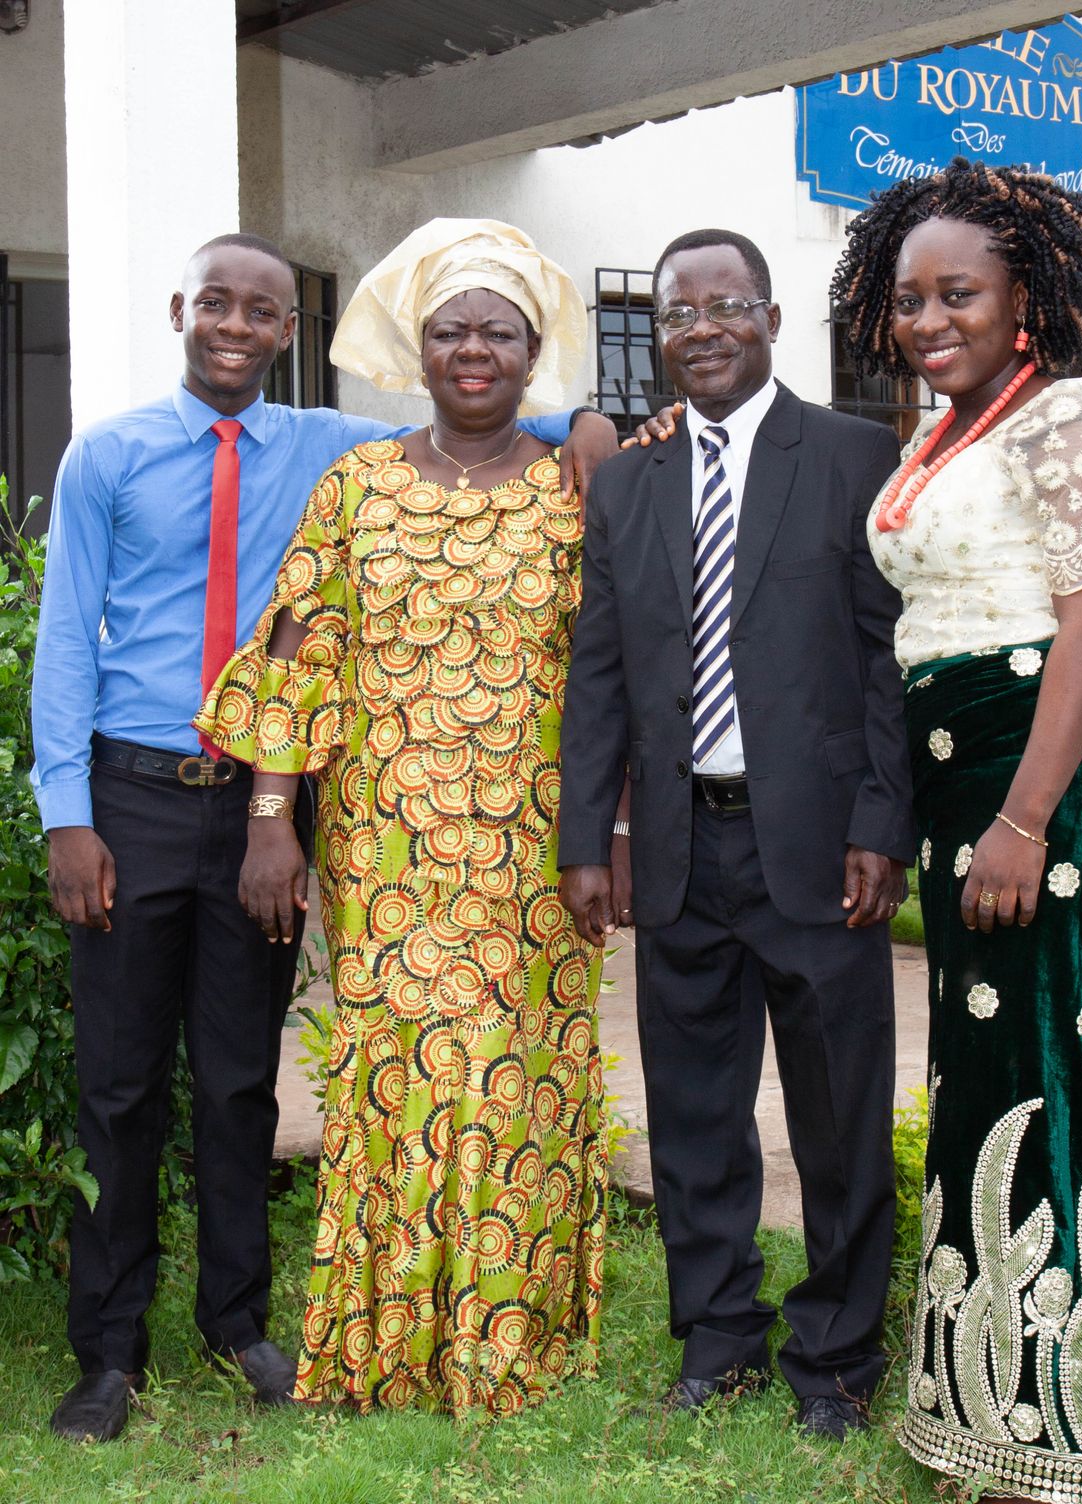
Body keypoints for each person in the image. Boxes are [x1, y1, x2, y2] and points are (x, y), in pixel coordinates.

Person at [31, 229, 617, 1443]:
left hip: (266, 797)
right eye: (217, 306)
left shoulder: (325, 445)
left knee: (244, 1079)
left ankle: (237, 1323)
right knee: (122, 1083)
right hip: (134, 793)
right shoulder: (111, 454)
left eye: (263, 311)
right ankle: (109, 1348)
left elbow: (496, 425)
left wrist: (602, 426)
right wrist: (67, 815)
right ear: (179, 309)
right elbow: (60, 645)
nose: (238, 327)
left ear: (291, 333)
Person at [195, 219, 615, 1418]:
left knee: (513, 1074)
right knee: (394, 1074)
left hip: (534, 842)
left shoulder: (572, 486)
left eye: (498, 331)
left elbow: (614, 670)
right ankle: (383, 1344)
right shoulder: (358, 483)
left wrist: (613, 832)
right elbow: (299, 646)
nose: (472, 350)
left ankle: (505, 1342)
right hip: (382, 844)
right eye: (450, 331)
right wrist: (273, 811)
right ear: (415, 349)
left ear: (533, 354)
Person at [828, 158, 1082, 1504]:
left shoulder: (1064, 416)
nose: (926, 320)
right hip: (967, 781)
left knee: (1055, 1075)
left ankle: (1057, 1442)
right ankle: (972, 1411)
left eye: (956, 293)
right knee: (983, 1077)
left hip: (1049, 780)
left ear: (1026, 293)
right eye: (908, 300)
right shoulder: (939, 434)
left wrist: (1025, 816)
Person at [557, 227, 915, 1438]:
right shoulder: (629, 480)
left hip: (819, 844)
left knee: (837, 1113)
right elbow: (598, 669)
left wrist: (883, 816)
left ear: (769, 318)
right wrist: (585, 833)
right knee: (695, 1113)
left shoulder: (859, 453)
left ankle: (840, 1352)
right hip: (678, 844)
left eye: (727, 306)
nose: (702, 328)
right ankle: (719, 1339)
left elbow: (885, 656)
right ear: (656, 336)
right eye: (677, 313)